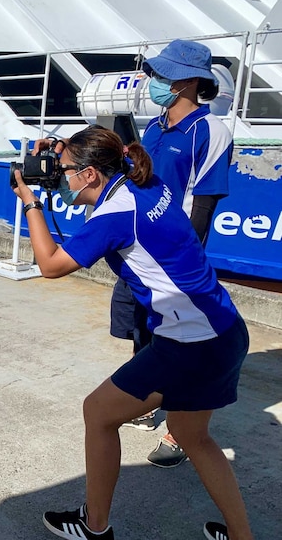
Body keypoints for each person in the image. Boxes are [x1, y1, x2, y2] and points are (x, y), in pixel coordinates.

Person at [13, 127, 251, 540]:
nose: (60, 176)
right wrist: (60, 152)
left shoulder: (114, 215)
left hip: (189, 344)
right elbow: (98, 165)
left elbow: (50, 265)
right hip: (224, 328)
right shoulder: (145, 182)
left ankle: (95, 526)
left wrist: (32, 202)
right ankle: (241, 535)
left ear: (89, 175)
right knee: (194, 437)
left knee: (98, 413)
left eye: (64, 170)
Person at [111, 39, 233, 468]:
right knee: (144, 328)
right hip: (140, 251)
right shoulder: (154, 126)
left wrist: (181, 265)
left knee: (186, 340)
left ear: (184, 81)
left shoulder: (211, 131)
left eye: (161, 75)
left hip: (176, 260)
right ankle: (144, 398)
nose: (153, 81)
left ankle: (180, 432)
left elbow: (203, 206)